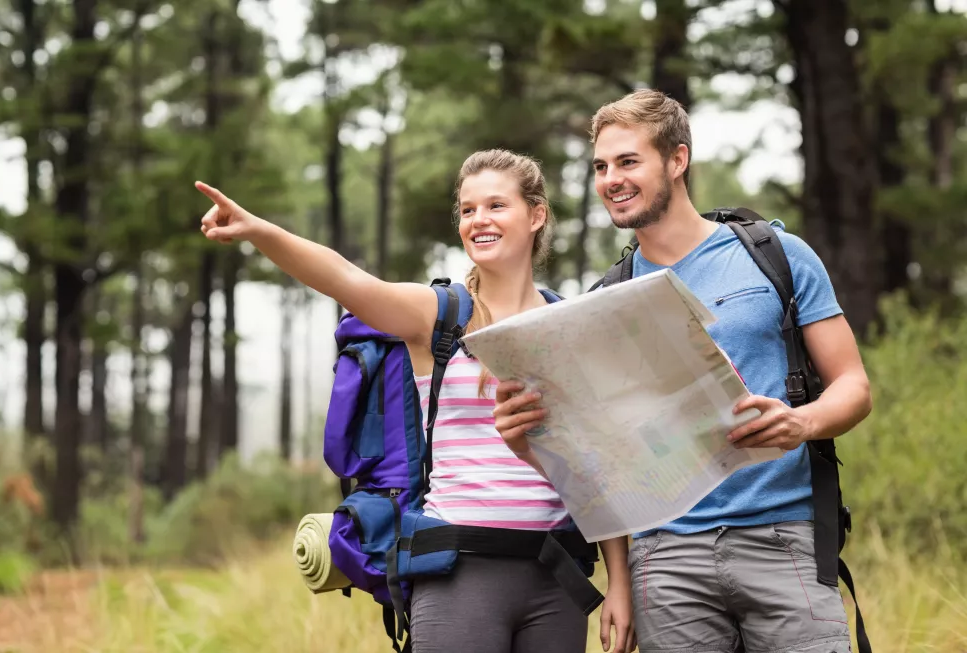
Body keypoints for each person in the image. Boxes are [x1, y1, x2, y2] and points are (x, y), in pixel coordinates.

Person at [196, 148, 636, 653]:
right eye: (468, 210)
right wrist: (259, 231)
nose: (479, 221)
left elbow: (596, 469)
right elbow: (344, 278)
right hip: (458, 572)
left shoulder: (568, 326)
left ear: (536, 215)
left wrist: (619, 584)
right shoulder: (438, 315)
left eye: (496, 206)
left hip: (556, 577)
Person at [493, 90, 873, 653]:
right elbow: (601, 465)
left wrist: (802, 422)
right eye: (601, 166)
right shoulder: (605, 300)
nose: (611, 180)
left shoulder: (777, 254)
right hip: (663, 560)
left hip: (782, 538)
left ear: (677, 159)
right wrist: (530, 443)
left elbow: (855, 387)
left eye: (628, 162)